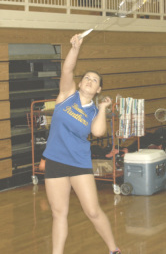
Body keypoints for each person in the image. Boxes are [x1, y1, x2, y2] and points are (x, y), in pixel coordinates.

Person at [42, 33, 121, 254]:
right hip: (55, 160)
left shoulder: (95, 111)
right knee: (59, 213)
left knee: (93, 211)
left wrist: (104, 109)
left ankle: (113, 249)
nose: (89, 80)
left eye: (94, 80)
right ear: (80, 83)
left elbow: (97, 132)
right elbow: (67, 70)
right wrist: (75, 48)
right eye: (86, 77)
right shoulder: (67, 95)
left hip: (78, 163)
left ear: (98, 90)